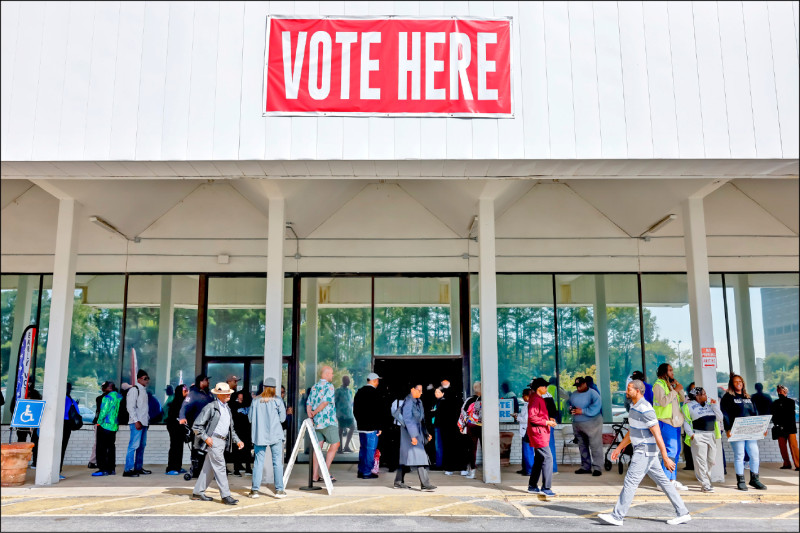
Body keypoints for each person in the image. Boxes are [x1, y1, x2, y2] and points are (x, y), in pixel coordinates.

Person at [597, 380, 691, 526]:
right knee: (665, 483)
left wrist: (665, 457)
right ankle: (683, 512)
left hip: (645, 451)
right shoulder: (634, 407)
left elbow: (657, 433)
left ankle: (617, 516)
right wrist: (619, 448)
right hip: (647, 453)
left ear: (638, 391)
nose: (626, 392)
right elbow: (632, 431)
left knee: (630, 482)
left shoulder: (646, 408)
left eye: (629, 389)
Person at [191, 382, 244, 505]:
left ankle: (198, 492)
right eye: (225, 394)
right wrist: (206, 438)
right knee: (220, 468)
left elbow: (231, 429)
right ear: (219, 395)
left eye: (228, 393)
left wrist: (238, 440)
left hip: (221, 441)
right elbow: (196, 426)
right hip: (214, 441)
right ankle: (226, 496)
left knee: (208, 469)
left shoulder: (227, 408)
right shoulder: (211, 407)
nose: (228, 395)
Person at [721, 374, 767, 491]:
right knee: (740, 455)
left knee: (754, 455)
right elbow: (725, 414)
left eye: (740, 381)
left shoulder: (748, 397)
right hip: (736, 430)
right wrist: (728, 429)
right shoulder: (727, 397)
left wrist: (761, 428)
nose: (738, 383)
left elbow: (755, 413)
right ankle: (740, 480)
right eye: (736, 382)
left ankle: (754, 479)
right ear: (731, 384)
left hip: (751, 430)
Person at [248, 377, 287, 498]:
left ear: (263, 387)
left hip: (260, 436)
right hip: (275, 435)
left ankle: (255, 491)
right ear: (274, 388)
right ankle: (279, 490)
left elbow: (250, 418)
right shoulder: (278, 400)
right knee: (277, 463)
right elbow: (282, 419)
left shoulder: (255, 401)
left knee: (258, 462)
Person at [395, 383, 436, 491]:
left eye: (422, 391)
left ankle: (398, 482)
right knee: (420, 457)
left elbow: (421, 420)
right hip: (409, 434)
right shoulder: (408, 402)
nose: (421, 393)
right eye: (419, 390)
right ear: (412, 390)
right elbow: (408, 420)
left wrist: (426, 433)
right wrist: (413, 436)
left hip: (417, 433)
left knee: (406, 457)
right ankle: (425, 484)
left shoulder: (419, 402)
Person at [652, 363, 687, 491]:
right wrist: (675, 390)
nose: (673, 372)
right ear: (664, 372)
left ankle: (672, 479)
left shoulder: (670, 385)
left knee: (676, 452)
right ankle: (664, 481)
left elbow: (683, 399)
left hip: (676, 422)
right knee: (670, 451)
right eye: (670, 370)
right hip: (665, 422)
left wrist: (677, 387)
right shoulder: (658, 385)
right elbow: (663, 402)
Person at [682, 386, 722, 492]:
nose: (706, 396)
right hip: (698, 435)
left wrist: (715, 406)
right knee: (701, 461)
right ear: (697, 396)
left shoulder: (710, 405)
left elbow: (720, 418)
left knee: (710, 460)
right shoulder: (688, 406)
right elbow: (686, 422)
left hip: (711, 435)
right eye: (703, 394)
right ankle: (705, 484)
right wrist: (692, 435)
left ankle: (707, 480)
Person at [307, 365, 340, 483]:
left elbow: (308, 403)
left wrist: (311, 416)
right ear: (326, 374)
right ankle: (325, 472)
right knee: (335, 444)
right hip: (328, 421)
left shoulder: (314, 387)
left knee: (318, 448)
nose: (332, 375)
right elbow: (326, 402)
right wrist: (315, 412)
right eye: (331, 373)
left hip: (317, 423)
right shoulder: (329, 386)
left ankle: (315, 476)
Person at [527, 378, 558, 497]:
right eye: (545, 386)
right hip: (538, 434)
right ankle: (546, 487)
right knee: (548, 458)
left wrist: (548, 420)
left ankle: (532, 485)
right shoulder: (536, 399)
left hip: (540, 433)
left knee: (539, 459)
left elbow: (538, 415)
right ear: (539, 387)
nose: (546, 388)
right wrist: (547, 423)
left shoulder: (537, 398)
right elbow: (532, 417)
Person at [568, 376, 603, 477]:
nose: (578, 388)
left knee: (595, 445)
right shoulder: (574, 394)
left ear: (585, 384)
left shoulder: (593, 393)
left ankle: (597, 468)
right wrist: (571, 409)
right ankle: (585, 466)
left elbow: (596, 407)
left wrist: (582, 411)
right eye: (576, 386)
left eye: (580, 385)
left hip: (593, 423)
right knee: (582, 446)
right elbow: (569, 404)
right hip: (578, 423)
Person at [353, 372, 383, 479]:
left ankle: (361, 471)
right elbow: (378, 412)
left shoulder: (359, 393)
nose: (378, 383)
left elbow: (355, 410)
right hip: (371, 428)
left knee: (363, 449)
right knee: (370, 450)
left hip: (361, 427)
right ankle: (366, 472)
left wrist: (359, 422)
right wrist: (379, 426)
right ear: (374, 380)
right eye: (378, 380)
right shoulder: (375, 393)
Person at [123, 370, 151, 477]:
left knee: (141, 446)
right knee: (133, 446)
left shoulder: (143, 391)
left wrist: (146, 421)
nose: (147, 380)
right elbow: (130, 407)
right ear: (139, 379)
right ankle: (128, 470)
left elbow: (144, 409)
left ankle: (138, 468)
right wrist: (136, 421)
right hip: (137, 423)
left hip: (144, 422)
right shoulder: (134, 390)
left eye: (148, 378)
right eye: (145, 378)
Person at [437, 380, 467, 476]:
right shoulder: (459, 402)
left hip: (446, 428)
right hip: (458, 427)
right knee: (460, 448)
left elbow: (439, 416)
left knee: (448, 448)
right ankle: (462, 468)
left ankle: (449, 469)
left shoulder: (443, 402)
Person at [93, 382, 122, 477]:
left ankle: (103, 469)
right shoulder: (119, 397)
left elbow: (103, 411)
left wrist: (98, 422)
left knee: (101, 448)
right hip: (114, 426)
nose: (103, 389)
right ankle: (111, 469)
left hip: (104, 425)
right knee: (111, 447)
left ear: (108, 388)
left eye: (104, 387)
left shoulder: (107, 398)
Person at [772, 385, 800, 471]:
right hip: (780, 428)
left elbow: (788, 415)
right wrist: (777, 424)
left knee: (793, 447)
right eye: (778, 391)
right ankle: (787, 464)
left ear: (785, 392)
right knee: (782, 447)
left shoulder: (791, 402)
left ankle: (798, 465)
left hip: (790, 427)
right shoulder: (775, 402)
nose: (779, 393)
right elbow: (774, 415)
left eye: (780, 391)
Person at [165, 384, 189, 475]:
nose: (187, 392)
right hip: (174, 427)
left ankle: (178, 466)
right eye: (185, 390)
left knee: (180, 447)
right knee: (174, 446)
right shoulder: (175, 402)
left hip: (180, 428)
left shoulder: (184, 402)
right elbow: (173, 416)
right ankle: (171, 467)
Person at [88, 382, 112, 469]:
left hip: (104, 423)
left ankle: (97, 461)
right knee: (99, 443)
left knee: (101, 443)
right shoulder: (101, 398)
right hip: (101, 423)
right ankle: (94, 461)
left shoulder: (102, 398)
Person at [17, 383, 41, 468]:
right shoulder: (35, 395)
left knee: (26, 442)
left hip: (25, 422)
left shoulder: (20, 394)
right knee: (32, 442)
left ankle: (23, 461)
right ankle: (32, 462)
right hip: (28, 423)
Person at [60, 382, 81, 480]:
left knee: (57, 448)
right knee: (62, 448)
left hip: (59, 423)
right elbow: (77, 412)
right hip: (67, 425)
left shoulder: (60, 399)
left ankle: (54, 470)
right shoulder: (70, 400)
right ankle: (57, 471)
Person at [463, 381, 482, 479]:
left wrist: (462, 425)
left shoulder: (470, 400)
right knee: (486, 449)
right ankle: (488, 471)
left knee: (472, 449)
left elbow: (463, 413)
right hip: (485, 427)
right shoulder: (487, 399)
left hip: (472, 426)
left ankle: (472, 471)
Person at [231, 390, 252, 477]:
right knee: (237, 450)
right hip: (237, 430)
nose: (240, 401)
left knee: (247, 450)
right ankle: (236, 469)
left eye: (242, 399)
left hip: (247, 430)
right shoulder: (234, 406)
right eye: (238, 399)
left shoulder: (249, 406)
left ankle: (248, 468)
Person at [335, 375, 356, 453]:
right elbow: (334, 402)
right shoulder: (338, 391)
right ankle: (339, 448)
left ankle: (346, 446)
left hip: (349, 414)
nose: (349, 382)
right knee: (340, 430)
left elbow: (350, 402)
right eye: (348, 380)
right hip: (341, 414)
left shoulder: (349, 391)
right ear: (344, 381)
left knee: (352, 427)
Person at [517, 388, 534, 476]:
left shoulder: (530, 405)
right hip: (525, 430)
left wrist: (517, 418)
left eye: (523, 396)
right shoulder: (526, 404)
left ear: (527, 396)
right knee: (525, 450)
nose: (522, 398)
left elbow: (526, 419)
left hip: (528, 430)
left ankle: (530, 470)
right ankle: (525, 468)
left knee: (528, 451)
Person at [680, 381, 695, 471]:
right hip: (688, 425)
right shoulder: (687, 398)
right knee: (687, 446)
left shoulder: (701, 398)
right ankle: (689, 464)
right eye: (692, 388)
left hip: (697, 426)